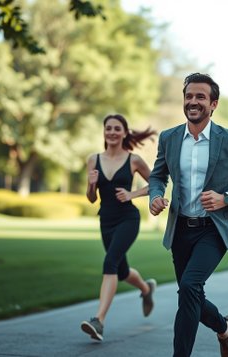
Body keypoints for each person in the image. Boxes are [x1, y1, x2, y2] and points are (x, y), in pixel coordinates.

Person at [148, 73, 228, 357]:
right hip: (181, 228)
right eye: (189, 96)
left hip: (213, 230)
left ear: (213, 104)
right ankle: (225, 329)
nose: (193, 102)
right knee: (190, 294)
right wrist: (155, 196)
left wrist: (227, 198)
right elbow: (158, 176)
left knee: (190, 287)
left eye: (200, 97)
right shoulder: (169, 138)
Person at [80, 114, 158, 342]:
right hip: (106, 219)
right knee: (121, 271)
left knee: (110, 263)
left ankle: (99, 321)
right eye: (108, 128)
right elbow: (92, 199)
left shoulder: (134, 160)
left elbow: (157, 183)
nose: (112, 132)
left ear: (124, 133)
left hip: (128, 219)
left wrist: (132, 194)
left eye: (117, 128)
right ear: (104, 132)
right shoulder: (93, 159)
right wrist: (91, 185)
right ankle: (146, 289)